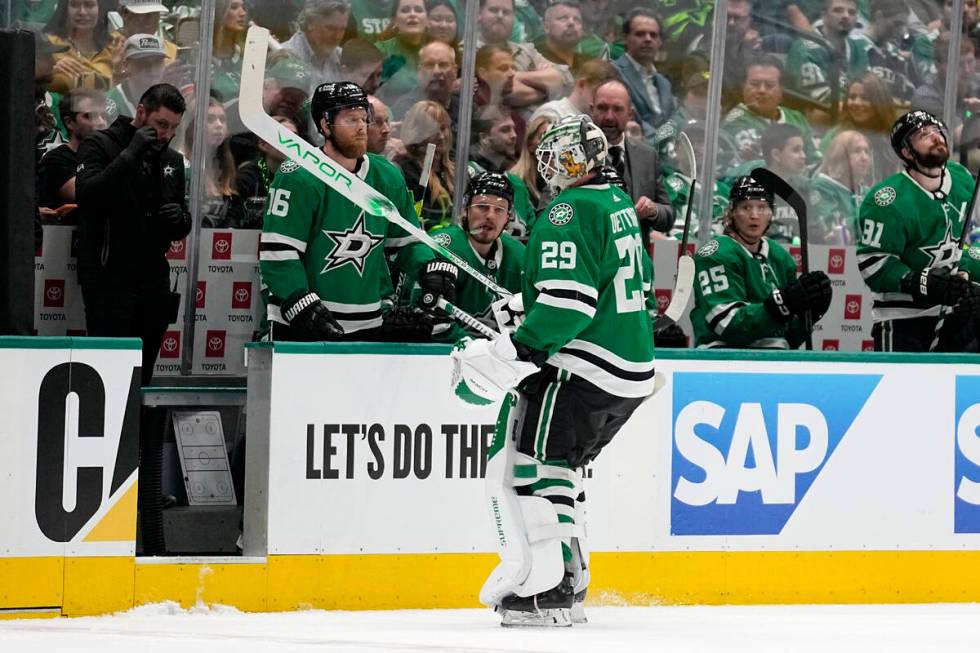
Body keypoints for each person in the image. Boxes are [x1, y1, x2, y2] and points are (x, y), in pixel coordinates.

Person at [452, 114, 657, 627]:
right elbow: (607, 285)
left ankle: (549, 588)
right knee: (563, 468)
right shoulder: (615, 203)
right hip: (627, 370)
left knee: (534, 468)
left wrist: (523, 345)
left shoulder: (568, 209)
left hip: (582, 368)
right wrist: (527, 309)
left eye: (565, 157)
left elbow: (569, 305)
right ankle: (574, 575)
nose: (556, 166)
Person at [258, 81, 443, 342]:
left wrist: (429, 268)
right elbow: (279, 252)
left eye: (363, 118)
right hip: (306, 322)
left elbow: (405, 242)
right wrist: (299, 302)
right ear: (325, 124)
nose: (360, 127)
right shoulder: (299, 175)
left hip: (369, 320)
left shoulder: (387, 175)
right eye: (350, 119)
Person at [75, 82, 191, 384]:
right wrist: (131, 154)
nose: (165, 135)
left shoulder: (172, 160)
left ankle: (140, 431)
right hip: (107, 276)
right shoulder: (99, 144)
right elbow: (87, 196)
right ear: (141, 112)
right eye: (160, 124)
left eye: (173, 128)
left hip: (153, 278)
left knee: (144, 372)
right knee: (107, 370)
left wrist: (180, 218)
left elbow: (182, 222)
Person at [857, 110, 980, 351]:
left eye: (937, 131)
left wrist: (965, 273)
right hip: (903, 318)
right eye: (924, 134)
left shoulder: (963, 179)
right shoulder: (886, 200)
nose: (936, 137)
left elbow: (969, 241)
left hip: (954, 312)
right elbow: (872, 263)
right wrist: (920, 281)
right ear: (906, 152)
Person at [689, 176, 833, 349]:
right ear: (732, 211)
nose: (754, 215)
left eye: (762, 207)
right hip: (724, 357)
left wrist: (808, 315)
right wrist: (782, 304)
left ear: (771, 213)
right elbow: (726, 323)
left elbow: (789, 337)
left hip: (775, 360)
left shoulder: (781, 258)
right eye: (746, 207)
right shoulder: (714, 254)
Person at [418, 172, 525, 340]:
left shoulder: (519, 255)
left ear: (508, 217)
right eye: (482, 207)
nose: (490, 215)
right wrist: (478, 346)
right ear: (465, 209)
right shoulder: (442, 248)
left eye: (499, 209)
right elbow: (428, 321)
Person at [591, 79, 674, 241]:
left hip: (635, 261)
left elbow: (668, 215)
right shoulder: (573, 154)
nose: (609, 116)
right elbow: (547, 210)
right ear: (591, 110)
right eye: (602, 108)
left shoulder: (647, 156)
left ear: (630, 113)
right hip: (591, 259)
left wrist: (653, 210)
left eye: (617, 109)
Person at [720, 56, 820, 168]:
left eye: (769, 85)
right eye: (755, 84)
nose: (761, 90)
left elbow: (814, 161)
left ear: (781, 90)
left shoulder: (796, 117)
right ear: (743, 87)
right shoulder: (735, 121)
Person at [819, 73, 900, 185]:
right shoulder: (836, 135)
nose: (856, 103)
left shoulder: (896, 138)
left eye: (865, 98)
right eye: (852, 97)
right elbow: (822, 179)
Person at [785, 0, 869, 104]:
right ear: (824, 15)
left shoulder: (861, 48)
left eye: (852, 12)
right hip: (816, 116)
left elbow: (874, 90)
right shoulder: (805, 49)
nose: (846, 16)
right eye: (838, 11)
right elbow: (823, 100)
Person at [610, 8, 675, 140]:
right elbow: (630, 117)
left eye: (653, 35)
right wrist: (662, 140)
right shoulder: (613, 72)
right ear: (624, 38)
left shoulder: (664, 83)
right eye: (640, 34)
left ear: (660, 42)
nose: (647, 39)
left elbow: (673, 119)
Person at [39, 88, 107, 211]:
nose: (101, 122)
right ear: (70, 122)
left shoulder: (108, 156)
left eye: (103, 115)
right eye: (89, 116)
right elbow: (85, 194)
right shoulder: (56, 160)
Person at [393, 101, 456, 231]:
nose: (441, 136)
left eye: (444, 128)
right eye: (433, 130)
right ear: (416, 133)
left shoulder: (456, 170)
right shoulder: (405, 170)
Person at [182, 96, 240, 228]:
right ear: (192, 125)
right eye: (210, 119)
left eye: (223, 120)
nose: (219, 125)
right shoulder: (180, 164)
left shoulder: (224, 168)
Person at [234, 115, 299, 229]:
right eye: (284, 136)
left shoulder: (305, 177)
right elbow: (233, 220)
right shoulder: (246, 179)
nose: (292, 142)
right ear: (263, 144)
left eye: (295, 137)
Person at [809, 129, 872, 244]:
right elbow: (832, 227)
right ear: (839, 157)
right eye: (857, 151)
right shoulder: (822, 187)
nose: (865, 158)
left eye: (866, 151)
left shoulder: (869, 192)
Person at [44, 0, 114, 93]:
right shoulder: (48, 44)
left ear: (100, 9)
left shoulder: (114, 45)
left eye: (89, 5)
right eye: (75, 5)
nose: (82, 12)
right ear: (65, 9)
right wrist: (50, 71)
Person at [529, 58, 618, 125]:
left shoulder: (599, 121)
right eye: (597, 95)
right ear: (581, 85)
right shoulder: (552, 114)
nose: (602, 102)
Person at [389, 41, 459, 123]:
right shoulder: (406, 107)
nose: (436, 71)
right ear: (419, 72)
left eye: (443, 65)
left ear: (455, 71)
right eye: (429, 65)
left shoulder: (465, 108)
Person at [281, 0, 350, 84]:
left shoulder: (343, 59)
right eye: (331, 29)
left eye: (342, 29)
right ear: (310, 23)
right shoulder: (284, 58)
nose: (338, 36)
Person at [105, 33, 168, 123]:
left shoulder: (169, 99)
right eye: (143, 62)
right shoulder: (109, 105)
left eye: (157, 62)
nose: (151, 68)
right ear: (126, 65)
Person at [376, 0, 429, 103]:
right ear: (394, 20)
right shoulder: (381, 51)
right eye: (405, 10)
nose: (412, 14)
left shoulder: (436, 51)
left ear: (428, 20)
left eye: (418, 10)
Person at [210, 0, 248, 102]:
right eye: (234, 7)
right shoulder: (202, 57)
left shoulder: (247, 55)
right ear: (218, 13)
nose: (243, 13)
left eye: (244, 8)